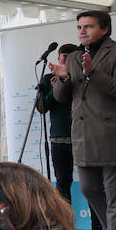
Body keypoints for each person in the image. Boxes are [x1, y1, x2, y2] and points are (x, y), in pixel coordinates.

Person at [50, 10, 116, 230]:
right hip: (84, 137)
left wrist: (92, 74)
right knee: (89, 189)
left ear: (105, 29)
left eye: (88, 26)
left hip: (114, 135)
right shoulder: (76, 56)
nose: (82, 31)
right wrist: (65, 77)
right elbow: (61, 97)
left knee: (115, 196)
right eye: (79, 27)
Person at [35, 44, 79, 204]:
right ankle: (66, 225)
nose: (65, 60)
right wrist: (55, 89)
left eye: (69, 57)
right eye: (63, 57)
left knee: (93, 185)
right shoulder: (48, 78)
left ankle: (98, 228)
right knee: (62, 183)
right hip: (58, 139)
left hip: (83, 137)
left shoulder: (83, 77)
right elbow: (41, 108)